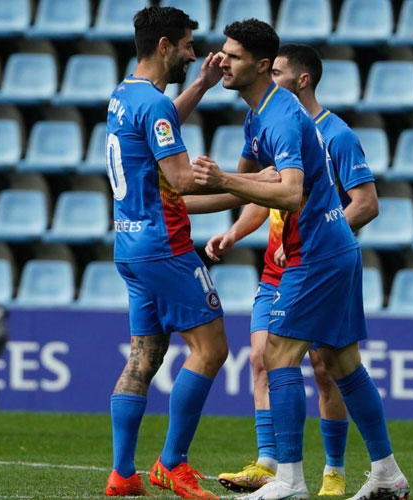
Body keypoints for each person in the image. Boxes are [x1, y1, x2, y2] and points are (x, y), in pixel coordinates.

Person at [191, 20, 409, 500]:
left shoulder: (285, 117)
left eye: (233, 54)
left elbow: (287, 193)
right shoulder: (258, 116)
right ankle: (388, 475)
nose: (222, 60)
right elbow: (238, 192)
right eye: (223, 52)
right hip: (329, 250)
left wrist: (224, 179)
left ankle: (288, 480)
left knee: (279, 355)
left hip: (317, 252)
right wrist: (172, 204)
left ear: (263, 65)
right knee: (342, 361)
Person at [103, 6, 277, 499]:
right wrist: (250, 186)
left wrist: (198, 87)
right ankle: (171, 463)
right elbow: (179, 181)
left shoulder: (124, 94)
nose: (193, 54)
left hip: (129, 245)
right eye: (186, 46)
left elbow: (152, 130)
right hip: (165, 246)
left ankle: (122, 474)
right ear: (164, 47)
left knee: (145, 354)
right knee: (212, 348)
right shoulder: (153, 105)